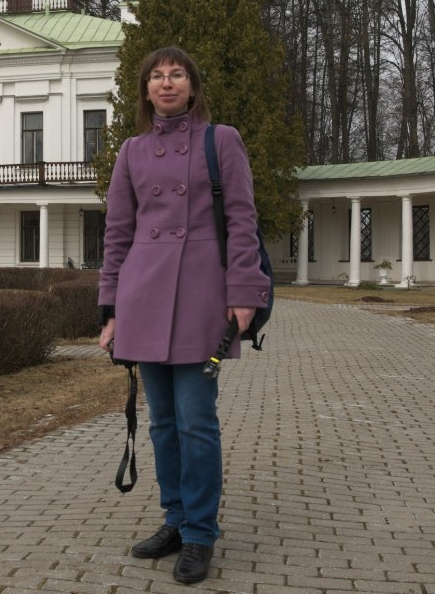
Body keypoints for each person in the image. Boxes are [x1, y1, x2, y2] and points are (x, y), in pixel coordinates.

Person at [98, 45, 270, 585]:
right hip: (143, 295)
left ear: (192, 87)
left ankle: (199, 533)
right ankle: (174, 519)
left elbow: (242, 217)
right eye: (157, 76)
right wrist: (110, 309)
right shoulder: (130, 151)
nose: (166, 83)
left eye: (176, 75)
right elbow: (118, 233)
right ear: (146, 89)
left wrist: (245, 291)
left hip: (201, 294)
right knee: (161, 423)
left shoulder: (222, 140)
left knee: (197, 423)